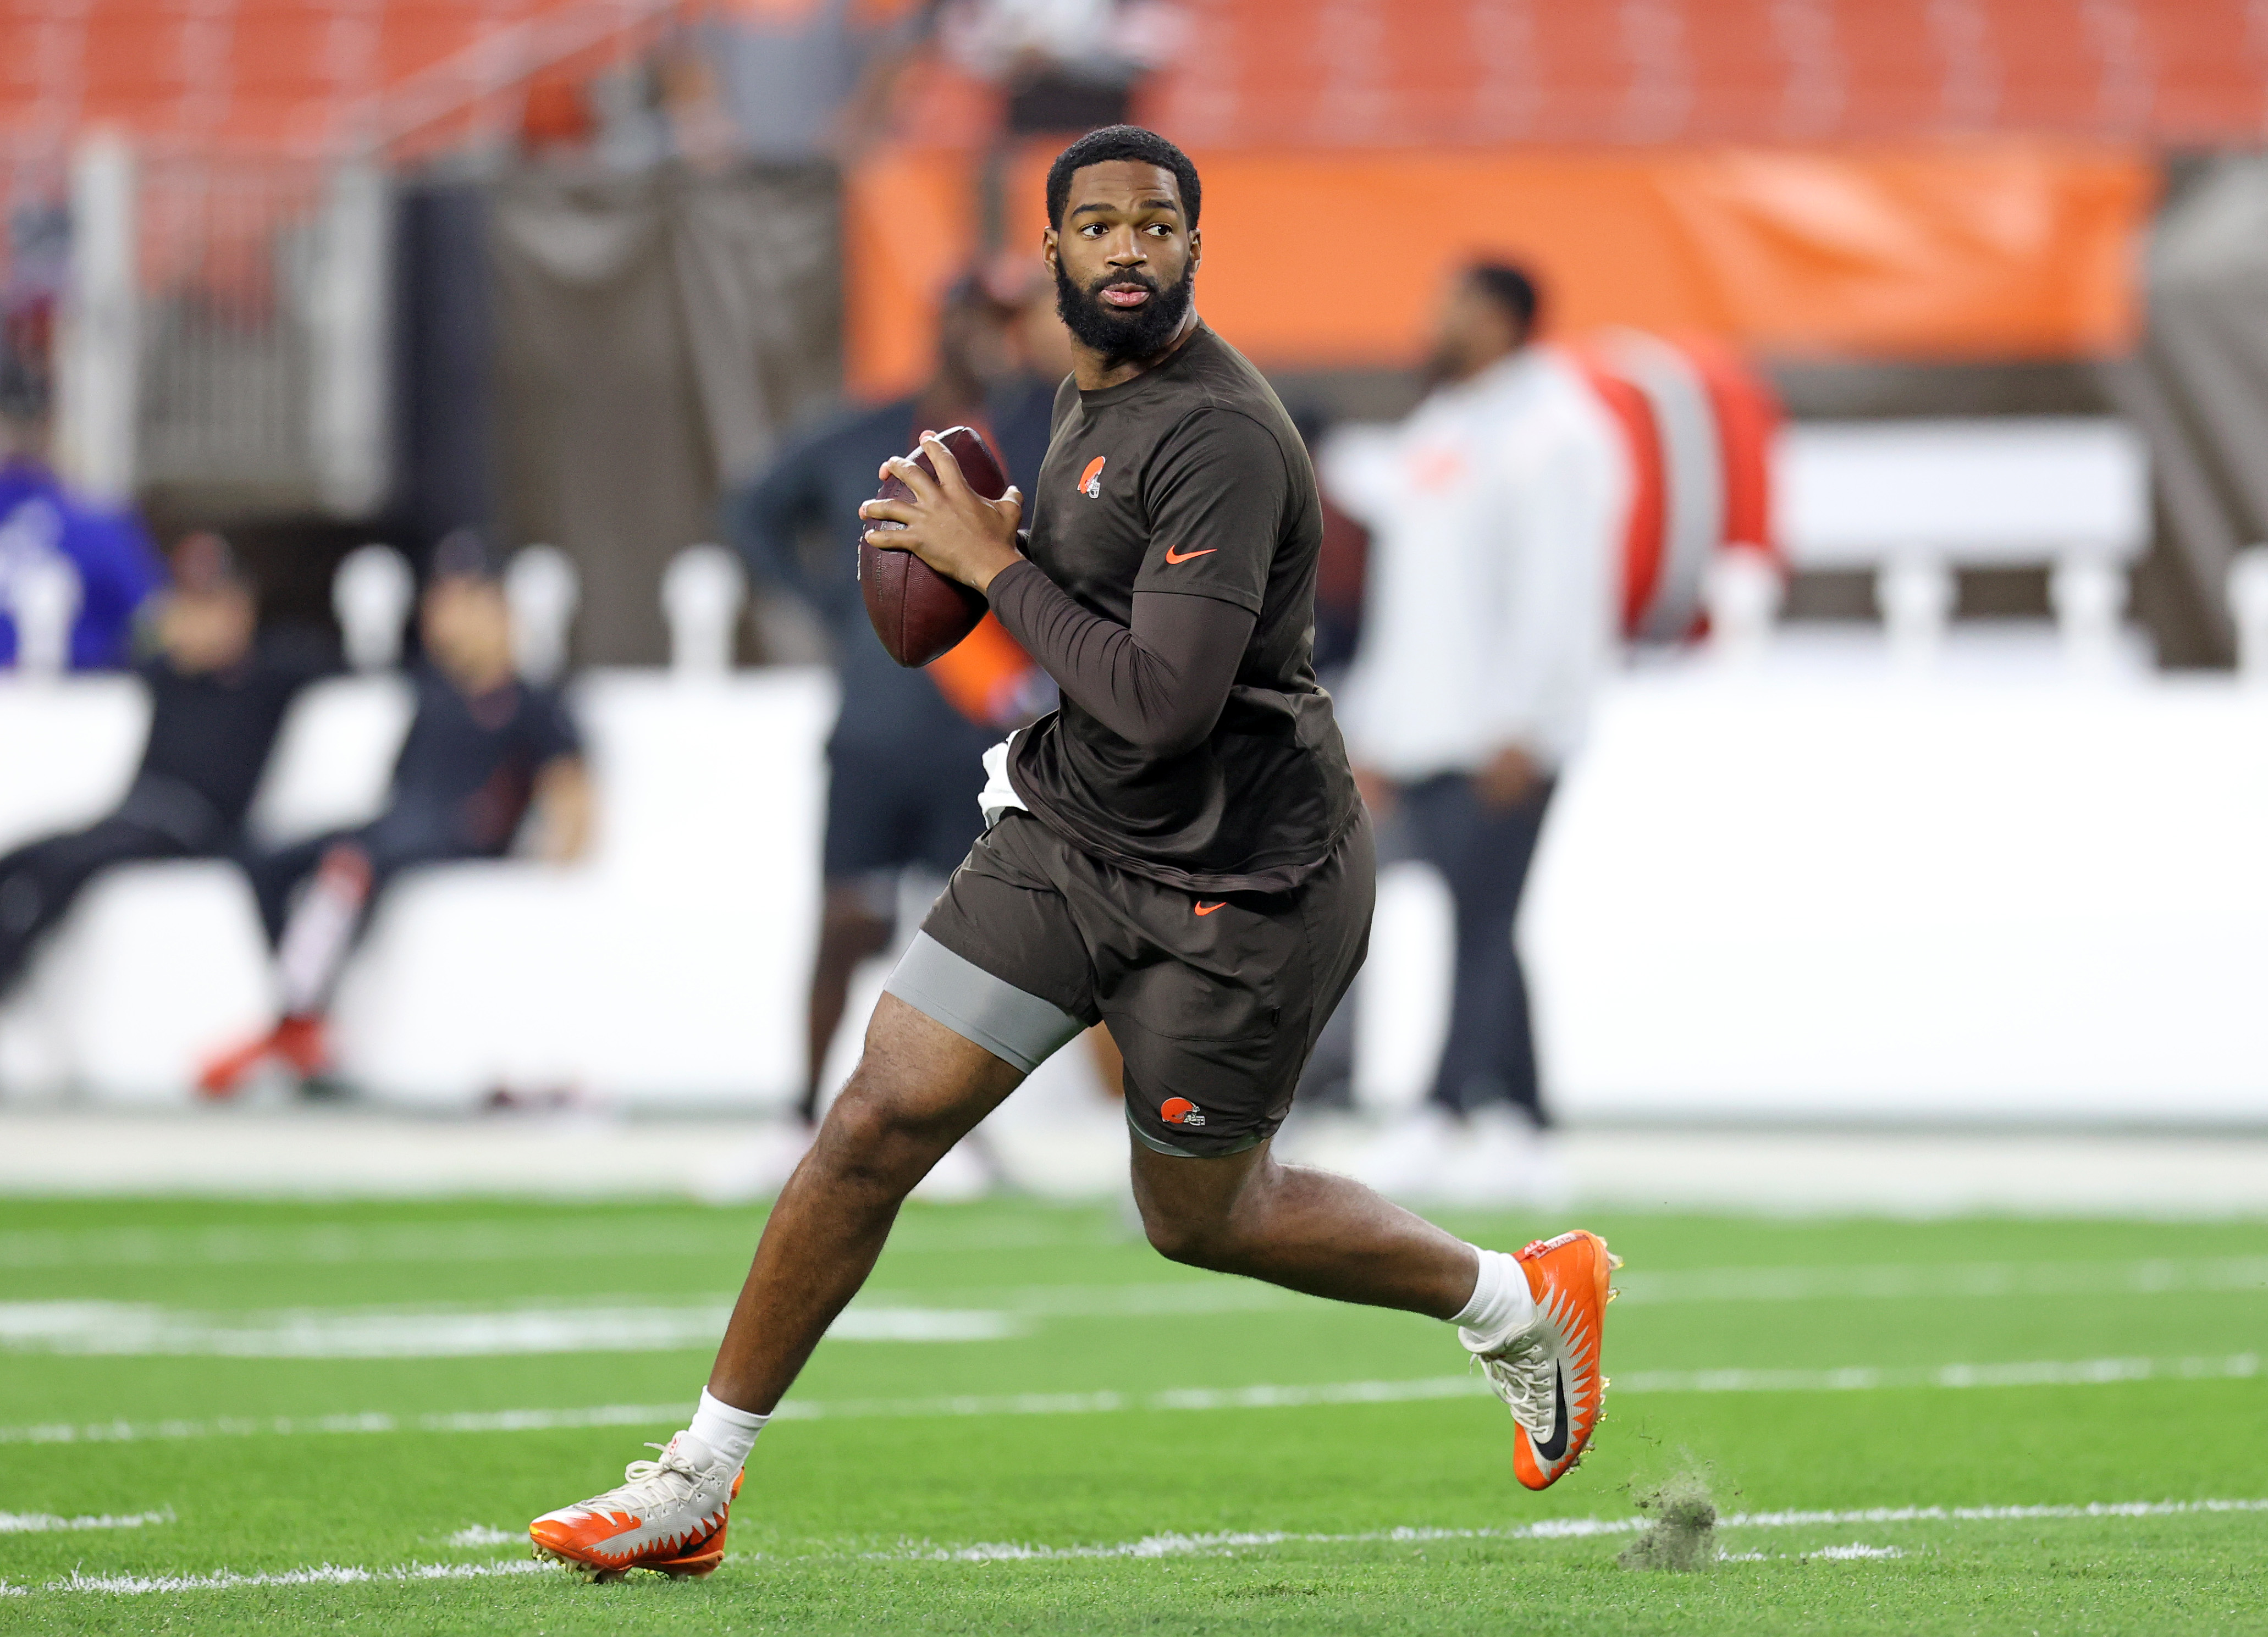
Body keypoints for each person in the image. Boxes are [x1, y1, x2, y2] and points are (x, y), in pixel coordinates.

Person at [526, 128, 1618, 1581]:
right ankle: (695, 1478)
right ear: (1050, 256)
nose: (1122, 248)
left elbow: (1165, 703)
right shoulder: (1080, 390)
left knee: (1203, 1216)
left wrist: (991, 569)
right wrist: (994, 555)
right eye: (1092, 225)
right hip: (1070, 832)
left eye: (1152, 226)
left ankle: (1512, 1297)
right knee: (869, 1124)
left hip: (1241, 883)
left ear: (1191, 250)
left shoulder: (1219, 433)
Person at [711, 278, 1042, 1198]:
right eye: (978, 319)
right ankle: (797, 1110)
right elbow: (752, 510)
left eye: (1007, 324)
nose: (992, 341)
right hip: (876, 723)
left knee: (970, 938)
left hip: (978, 728)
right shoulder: (868, 432)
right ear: (943, 326)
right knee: (845, 919)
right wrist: (832, 603)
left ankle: (954, 1129)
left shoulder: (1039, 440)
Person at [1326, 263, 1628, 1205]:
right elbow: (1407, 598)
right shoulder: (1444, 427)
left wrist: (1524, 723)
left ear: (1498, 319)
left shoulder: (1557, 433)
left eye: (1450, 302)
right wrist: (1373, 718)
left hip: (1503, 734)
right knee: (1483, 916)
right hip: (1426, 723)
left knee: (1484, 916)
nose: (1433, 319)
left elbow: (1561, 592)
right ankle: (1525, 1122)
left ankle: (1441, 1108)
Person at [198, 532, 592, 1096]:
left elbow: (571, 789)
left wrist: (550, 867)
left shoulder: (532, 701)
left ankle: (292, 1015)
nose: (449, 618)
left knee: (351, 862)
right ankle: (302, 1014)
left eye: (464, 601)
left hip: (461, 833)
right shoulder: (434, 692)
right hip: (399, 822)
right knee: (265, 860)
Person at [0, 533, 329, 1002]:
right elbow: (100, 658)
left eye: (211, 605)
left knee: (64, 871)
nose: (196, 621)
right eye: (188, 605)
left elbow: (354, 667)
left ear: (242, 608)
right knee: (22, 858)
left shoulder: (270, 674)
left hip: (194, 824)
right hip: (137, 811)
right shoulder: (165, 675)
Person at [0, 361, 163, 671]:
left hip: (78, 708)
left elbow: (154, 628)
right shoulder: (98, 525)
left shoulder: (97, 527)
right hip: (78, 708)